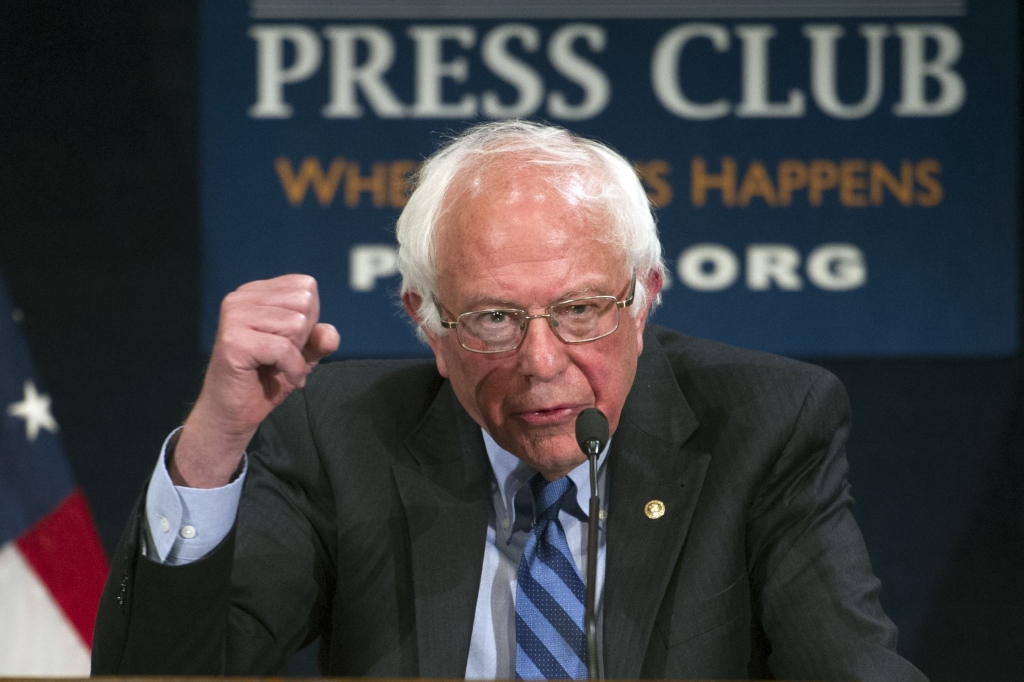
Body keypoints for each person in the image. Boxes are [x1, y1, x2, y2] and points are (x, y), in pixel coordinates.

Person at [92, 120, 926, 681]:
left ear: (645, 300)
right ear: (427, 322)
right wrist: (214, 444)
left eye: (580, 311)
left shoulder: (762, 425)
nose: (539, 360)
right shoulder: (341, 436)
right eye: (492, 318)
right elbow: (164, 677)